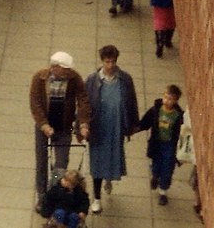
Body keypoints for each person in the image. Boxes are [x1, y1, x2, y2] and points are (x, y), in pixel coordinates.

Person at [30, 51, 91, 209]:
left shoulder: (74, 78)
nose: (68, 72)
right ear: (55, 67)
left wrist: (83, 123)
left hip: (63, 127)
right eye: (65, 69)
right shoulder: (39, 78)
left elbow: (83, 100)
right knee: (41, 162)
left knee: (61, 164)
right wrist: (43, 124)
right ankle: (42, 196)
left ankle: (55, 193)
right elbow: (35, 103)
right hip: (43, 125)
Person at [84, 44, 140, 214]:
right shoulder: (92, 80)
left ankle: (108, 177)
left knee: (112, 157)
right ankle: (97, 198)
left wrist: (132, 125)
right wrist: (83, 125)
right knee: (97, 162)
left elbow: (132, 102)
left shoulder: (125, 79)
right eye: (107, 62)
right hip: (98, 128)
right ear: (102, 61)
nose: (110, 65)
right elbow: (84, 105)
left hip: (115, 126)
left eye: (113, 62)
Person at [138, 85, 185, 207]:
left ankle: (163, 191)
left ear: (175, 101)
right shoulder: (156, 110)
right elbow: (145, 122)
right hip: (157, 142)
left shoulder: (178, 115)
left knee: (167, 168)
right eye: (165, 97)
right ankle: (155, 175)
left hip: (169, 145)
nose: (166, 101)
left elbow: (183, 131)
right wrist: (135, 128)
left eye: (170, 99)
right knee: (156, 163)